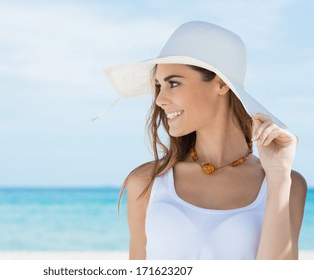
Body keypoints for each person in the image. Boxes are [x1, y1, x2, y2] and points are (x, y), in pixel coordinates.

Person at [104, 21, 307, 260]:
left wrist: (278, 173)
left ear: (221, 84)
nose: (159, 100)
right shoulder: (146, 183)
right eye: (159, 86)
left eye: (174, 83)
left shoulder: (286, 182)